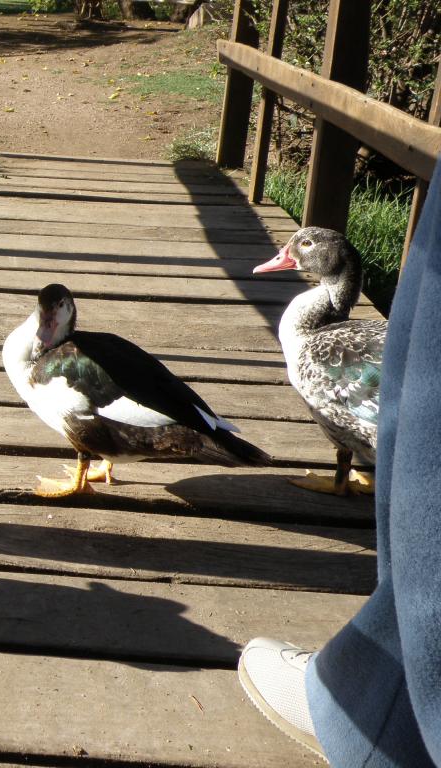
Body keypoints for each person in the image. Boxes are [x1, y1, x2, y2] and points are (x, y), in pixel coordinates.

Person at [238, 156, 441, 767]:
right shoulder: (328, 326)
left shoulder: (320, 341)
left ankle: (375, 707)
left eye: (300, 249)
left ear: (333, 269)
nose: (288, 256)